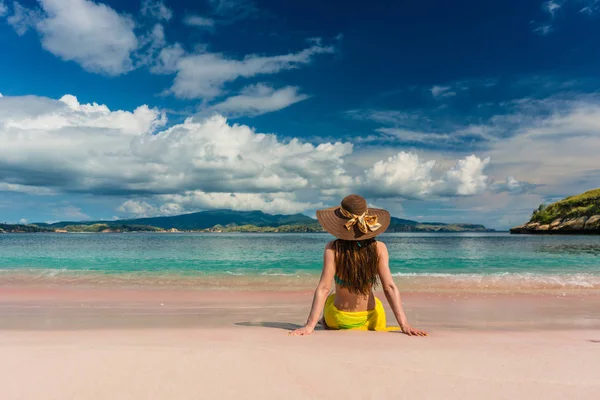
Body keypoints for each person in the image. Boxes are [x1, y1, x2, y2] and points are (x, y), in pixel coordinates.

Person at [291, 194, 427, 336]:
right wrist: (405, 325)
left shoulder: (332, 248)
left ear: (340, 222)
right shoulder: (379, 248)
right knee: (377, 302)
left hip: (338, 319)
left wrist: (309, 326)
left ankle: (321, 321)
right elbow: (389, 287)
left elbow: (324, 288)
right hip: (370, 319)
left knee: (331, 295)